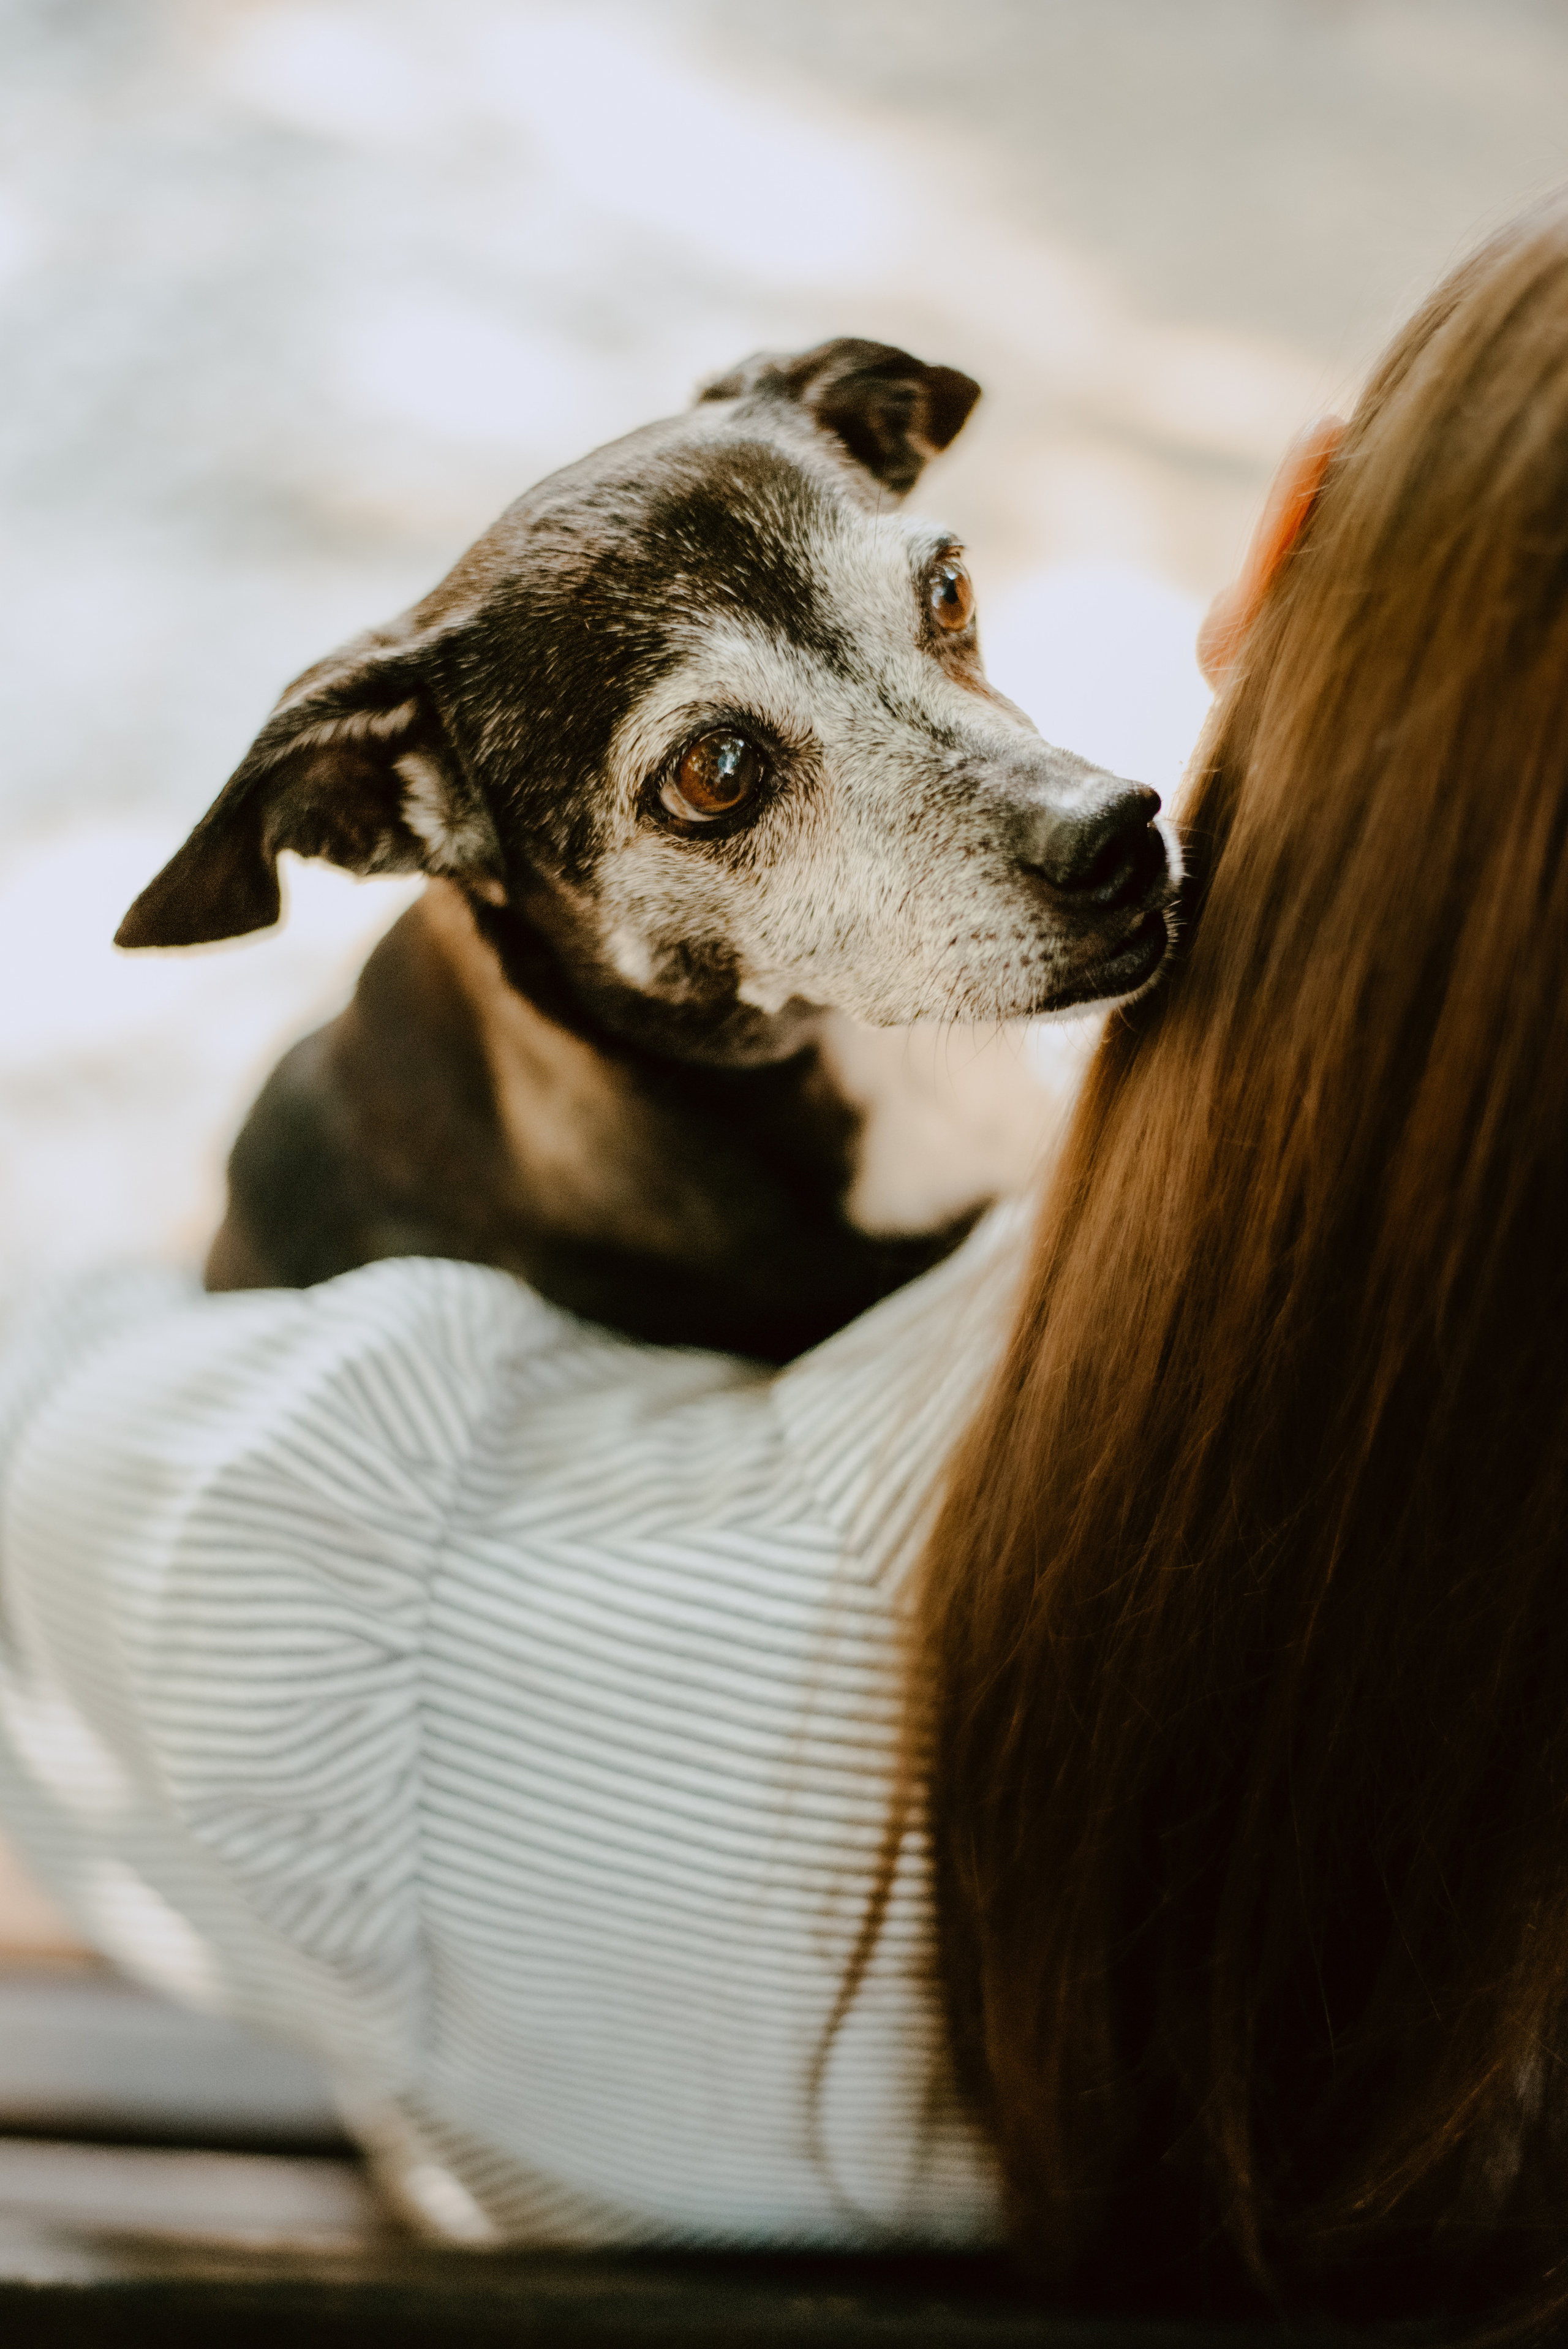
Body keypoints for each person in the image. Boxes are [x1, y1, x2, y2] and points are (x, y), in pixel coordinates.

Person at [0, 189, 1564, 2328]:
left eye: (931, 611)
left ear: (1286, 531)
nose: (1045, 798)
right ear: (396, 812)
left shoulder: (400, 1569)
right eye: (732, 773)